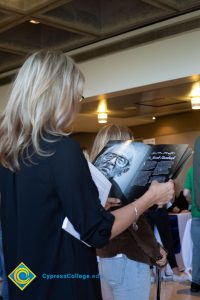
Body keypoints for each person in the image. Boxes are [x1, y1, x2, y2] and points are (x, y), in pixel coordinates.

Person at [0, 50, 174, 300]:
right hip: (62, 282)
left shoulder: (9, 153)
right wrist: (148, 198)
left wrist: (90, 207)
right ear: (60, 95)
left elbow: (38, 218)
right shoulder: (62, 150)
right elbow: (97, 233)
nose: (77, 103)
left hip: (24, 280)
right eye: (77, 95)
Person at [90, 124, 170, 300]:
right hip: (128, 258)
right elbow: (135, 223)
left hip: (104, 259)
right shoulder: (121, 184)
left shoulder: (93, 180)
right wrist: (156, 252)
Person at [183, 166, 200, 293]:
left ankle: (195, 282)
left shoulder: (192, 170)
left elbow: (186, 193)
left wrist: (193, 203)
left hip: (196, 213)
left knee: (197, 249)